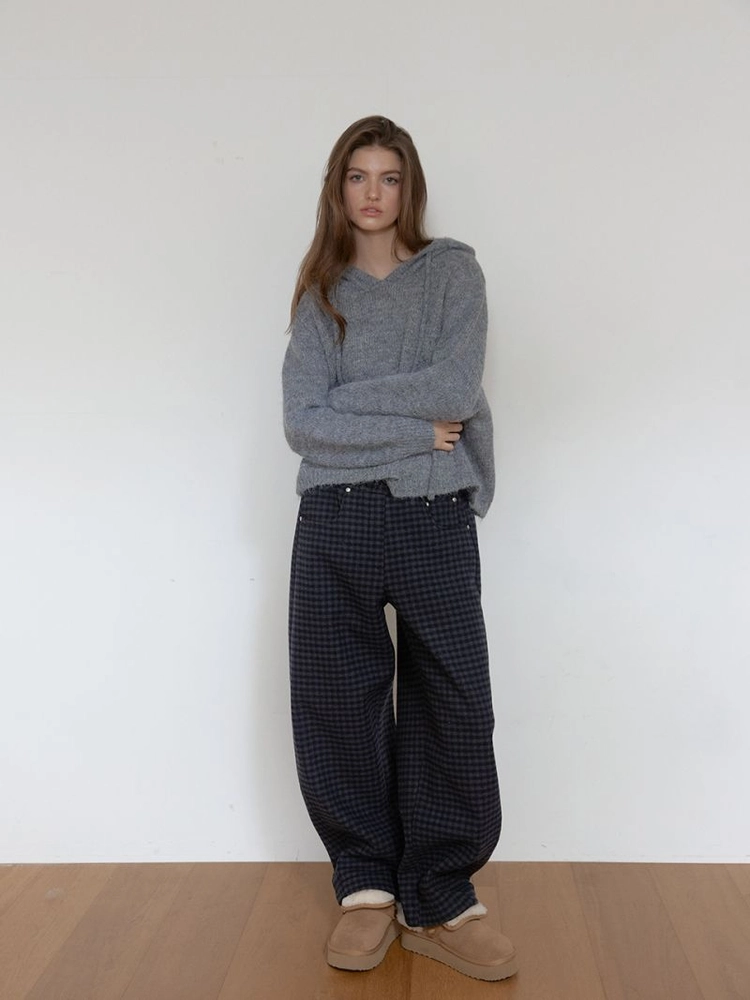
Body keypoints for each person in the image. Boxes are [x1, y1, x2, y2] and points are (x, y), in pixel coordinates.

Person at [282, 115, 517, 983]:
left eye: (388, 176)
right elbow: (302, 423)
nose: (373, 193)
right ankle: (367, 889)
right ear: (337, 189)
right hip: (335, 518)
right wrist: (418, 431)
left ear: (409, 186)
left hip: (433, 515)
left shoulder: (453, 273)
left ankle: (442, 896)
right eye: (358, 176)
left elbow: (456, 387)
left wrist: (354, 407)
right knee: (336, 700)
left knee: (453, 701)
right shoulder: (319, 292)